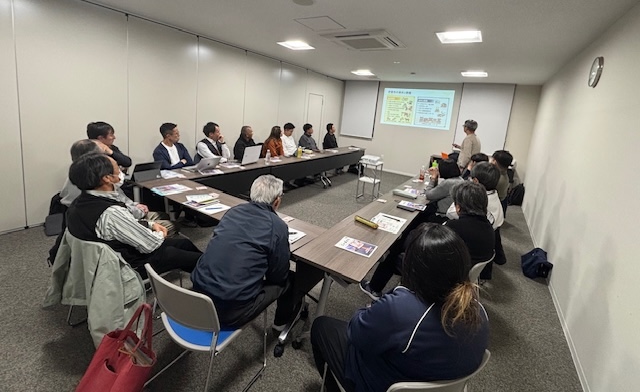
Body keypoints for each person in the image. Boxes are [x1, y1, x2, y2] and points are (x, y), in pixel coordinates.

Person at [314, 224, 489, 392]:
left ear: (412, 267)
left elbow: (356, 332)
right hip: (438, 381)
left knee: (322, 326)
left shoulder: (401, 309)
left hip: (386, 383)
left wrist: (397, 292)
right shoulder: (479, 310)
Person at [191, 175, 322, 329]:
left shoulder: (232, 211)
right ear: (277, 201)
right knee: (291, 279)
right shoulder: (277, 225)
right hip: (230, 312)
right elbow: (278, 276)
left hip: (197, 295)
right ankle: (280, 324)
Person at [66, 153, 202, 275]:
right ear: (107, 178)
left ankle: (203, 275)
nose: (121, 171)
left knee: (184, 243)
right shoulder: (111, 212)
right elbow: (151, 244)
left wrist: (150, 224)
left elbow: (120, 227)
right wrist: (160, 233)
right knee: (186, 257)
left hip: (98, 261)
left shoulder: (79, 203)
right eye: (118, 168)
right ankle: (207, 277)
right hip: (126, 265)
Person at [444, 181, 495, 266]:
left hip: (458, 269)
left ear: (458, 207)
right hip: (474, 268)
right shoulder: (488, 226)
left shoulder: (453, 227)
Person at [491, 149, 514, 216]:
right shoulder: (504, 174)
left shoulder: (498, 179)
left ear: (495, 162)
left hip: (496, 204)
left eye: (493, 159)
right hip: (502, 201)